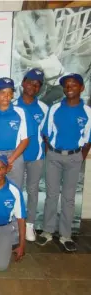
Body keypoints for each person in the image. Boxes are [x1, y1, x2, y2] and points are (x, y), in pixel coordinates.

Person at [37, 73, 91, 252]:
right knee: (51, 195)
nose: (69, 88)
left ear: (82, 88)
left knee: (68, 198)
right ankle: (47, 232)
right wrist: (51, 153)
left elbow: (88, 138)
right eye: (66, 85)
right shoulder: (55, 108)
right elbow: (46, 133)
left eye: (74, 85)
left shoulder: (88, 112)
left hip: (75, 158)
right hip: (54, 156)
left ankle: (66, 235)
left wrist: (79, 156)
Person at [13, 69, 48, 242]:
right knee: (15, 191)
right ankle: (14, 225)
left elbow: (46, 134)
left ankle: (29, 225)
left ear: (39, 88)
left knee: (33, 192)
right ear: (23, 83)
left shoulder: (43, 108)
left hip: (36, 156)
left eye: (37, 84)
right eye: (30, 82)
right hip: (16, 156)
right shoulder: (12, 105)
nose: (32, 86)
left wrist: (43, 155)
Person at [0, 77, 34, 189]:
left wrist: (10, 160)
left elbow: (25, 139)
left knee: (15, 190)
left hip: (15, 156)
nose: (6, 96)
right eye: (2, 92)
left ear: (12, 95)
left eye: (9, 93)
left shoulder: (21, 112)